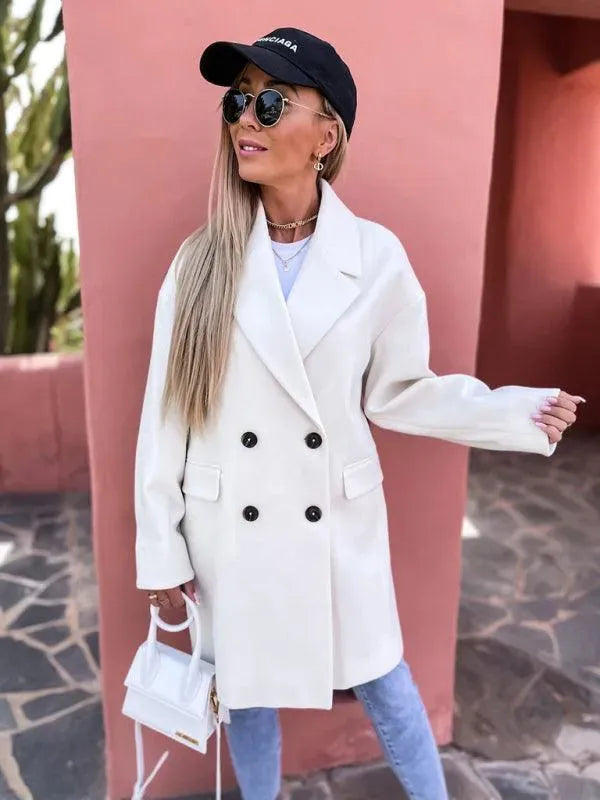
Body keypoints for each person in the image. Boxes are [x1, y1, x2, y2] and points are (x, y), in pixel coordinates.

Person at [133, 26, 584, 800]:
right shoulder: (199, 263)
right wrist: (160, 550)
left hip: (334, 523)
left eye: (271, 103)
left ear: (326, 135)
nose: (245, 120)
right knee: (247, 695)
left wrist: (517, 412)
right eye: (237, 102)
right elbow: (164, 419)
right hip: (228, 525)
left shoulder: (376, 259)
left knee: (386, 684)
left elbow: (401, 391)